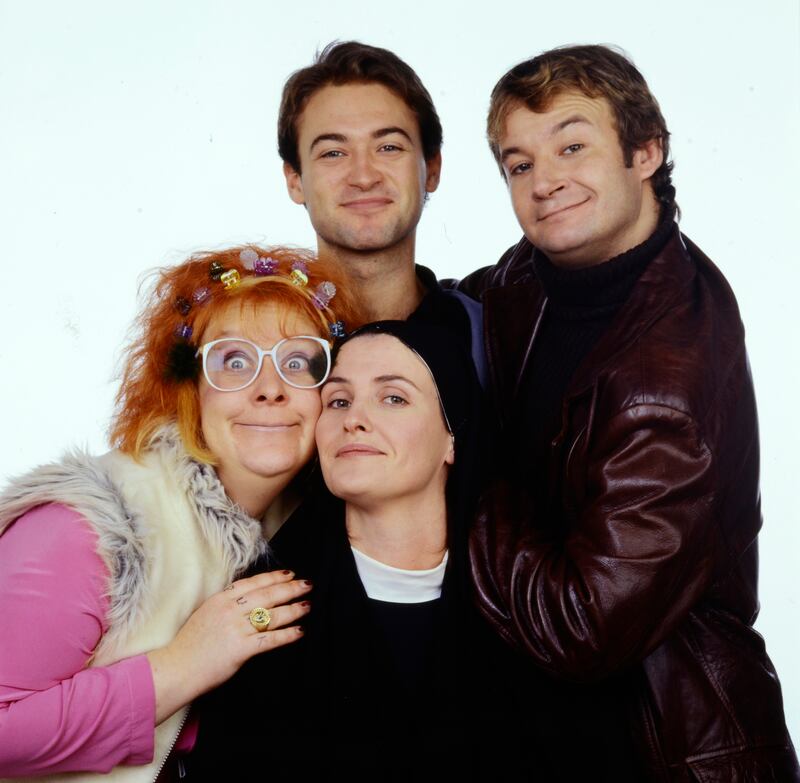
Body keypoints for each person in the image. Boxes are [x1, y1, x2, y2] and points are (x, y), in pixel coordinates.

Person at [457, 44, 800, 780]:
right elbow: (471, 303)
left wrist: (454, 480)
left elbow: (583, 625)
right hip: (539, 724)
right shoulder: (538, 272)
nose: (545, 182)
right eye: (519, 164)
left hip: (660, 744)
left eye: (572, 146)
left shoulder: (667, 377)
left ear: (646, 152)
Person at [0, 245, 358, 780]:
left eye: (298, 362)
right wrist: (183, 667)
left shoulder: (312, 528)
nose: (269, 390)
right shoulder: (92, 525)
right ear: (188, 389)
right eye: (234, 361)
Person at [190, 320, 547, 781]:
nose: (352, 418)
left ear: (453, 435)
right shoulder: (261, 607)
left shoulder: (527, 598)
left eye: (393, 398)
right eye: (337, 400)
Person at [277, 40, 485, 381]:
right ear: (295, 180)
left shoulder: (494, 340)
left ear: (431, 169)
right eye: (333, 153)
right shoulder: (250, 340)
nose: (363, 176)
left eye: (389, 147)